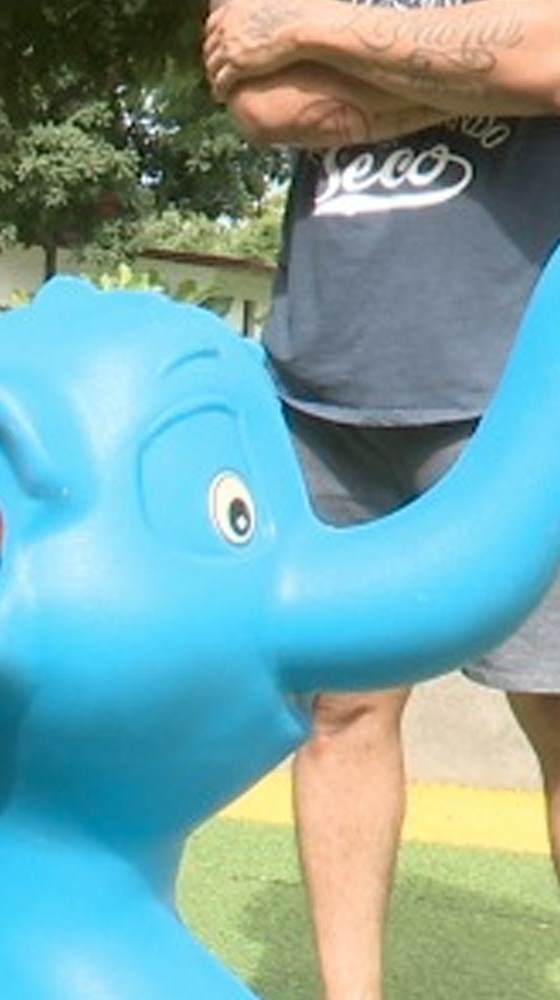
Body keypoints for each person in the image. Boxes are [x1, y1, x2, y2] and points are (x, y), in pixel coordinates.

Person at [204, 2, 560, 998]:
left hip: (517, 386)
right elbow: (256, 96)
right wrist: (480, 79)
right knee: (341, 712)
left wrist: (312, 28)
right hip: (324, 385)